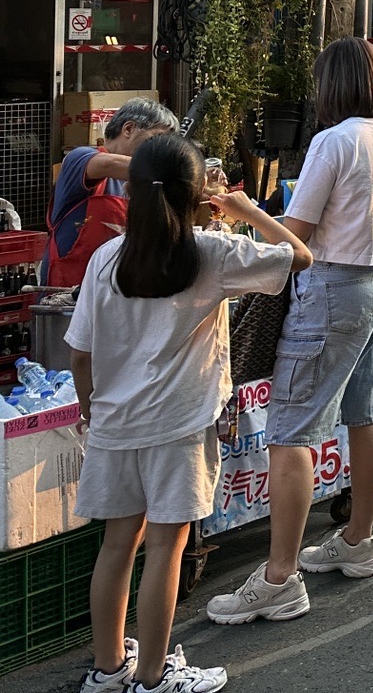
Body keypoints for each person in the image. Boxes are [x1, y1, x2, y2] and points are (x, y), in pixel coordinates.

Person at [70, 133, 310, 693]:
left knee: (115, 547)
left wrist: (90, 410)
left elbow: (80, 354)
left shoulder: (107, 258)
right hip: (178, 427)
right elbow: (300, 256)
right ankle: (153, 679)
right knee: (165, 549)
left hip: (113, 426)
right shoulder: (211, 253)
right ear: (195, 194)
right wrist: (247, 209)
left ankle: (108, 671)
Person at [207, 38, 373, 626]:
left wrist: (242, 210)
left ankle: (280, 578)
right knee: (369, 414)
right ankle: (358, 541)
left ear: (332, 86)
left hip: (334, 287)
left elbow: (293, 237)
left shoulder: (335, 139)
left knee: (291, 432)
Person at [44, 98, 180, 288]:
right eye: (155, 139)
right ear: (128, 129)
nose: (157, 149)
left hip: (115, 288)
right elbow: (108, 164)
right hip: (69, 290)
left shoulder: (148, 181)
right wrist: (183, 170)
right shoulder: (80, 158)